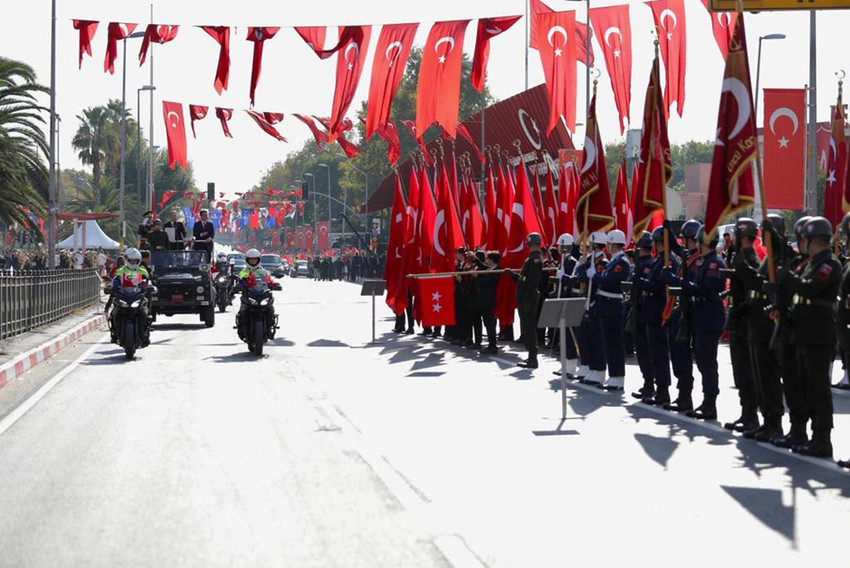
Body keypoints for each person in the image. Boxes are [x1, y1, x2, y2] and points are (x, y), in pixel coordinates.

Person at [681, 226, 727, 420]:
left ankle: (710, 403)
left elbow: (707, 290)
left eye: (698, 241)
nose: (696, 244)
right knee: (702, 360)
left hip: (709, 315)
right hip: (701, 315)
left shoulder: (714, 263)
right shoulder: (704, 261)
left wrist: (686, 285)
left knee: (707, 362)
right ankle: (706, 401)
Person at [722, 218, 762, 433]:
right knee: (740, 373)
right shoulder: (740, 258)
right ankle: (746, 413)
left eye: (737, 235)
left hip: (745, 322)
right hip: (739, 321)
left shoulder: (749, 260)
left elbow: (752, 290)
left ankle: (751, 416)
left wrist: (742, 308)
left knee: (746, 372)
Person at [635, 226, 679, 406]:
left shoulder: (668, 260)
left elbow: (659, 285)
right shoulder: (658, 260)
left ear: (661, 243)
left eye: (656, 242)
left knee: (660, 353)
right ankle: (657, 387)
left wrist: (641, 282)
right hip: (650, 309)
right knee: (653, 351)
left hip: (659, 309)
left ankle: (663, 391)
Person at [590, 229, 631, 391]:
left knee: (614, 343)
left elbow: (609, 281)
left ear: (613, 244)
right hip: (604, 304)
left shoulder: (622, 262)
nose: (607, 246)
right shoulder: (614, 261)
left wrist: (595, 276)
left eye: (609, 243)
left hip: (612, 305)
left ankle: (618, 377)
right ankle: (613, 376)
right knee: (608, 342)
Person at [510, 233, 544, 369]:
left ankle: (533, 358)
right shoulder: (532, 258)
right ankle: (531, 356)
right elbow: (526, 279)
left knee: (529, 329)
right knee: (526, 328)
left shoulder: (535, 260)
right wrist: (515, 277)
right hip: (525, 298)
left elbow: (533, 282)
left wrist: (528, 301)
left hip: (528, 299)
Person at [630, 231, 656, 400]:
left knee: (644, 349)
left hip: (644, 310)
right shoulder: (644, 263)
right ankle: (647, 382)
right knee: (641, 349)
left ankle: (649, 383)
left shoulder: (647, 264)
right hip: (639, 309)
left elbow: (644, 286)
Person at [109, 248, 151, 345]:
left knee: (146, 314)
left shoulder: (143, 271)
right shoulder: (120, 271)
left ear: (138, 260)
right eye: (131, 260)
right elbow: (115, 282)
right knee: (114, 313)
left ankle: (145, 334)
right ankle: (114, 334)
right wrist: (112, 288)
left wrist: (148, 287)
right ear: (127, 260)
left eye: (135, 260)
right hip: (124, 296)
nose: (133, 262)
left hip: (137, 296)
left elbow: (148, 282)